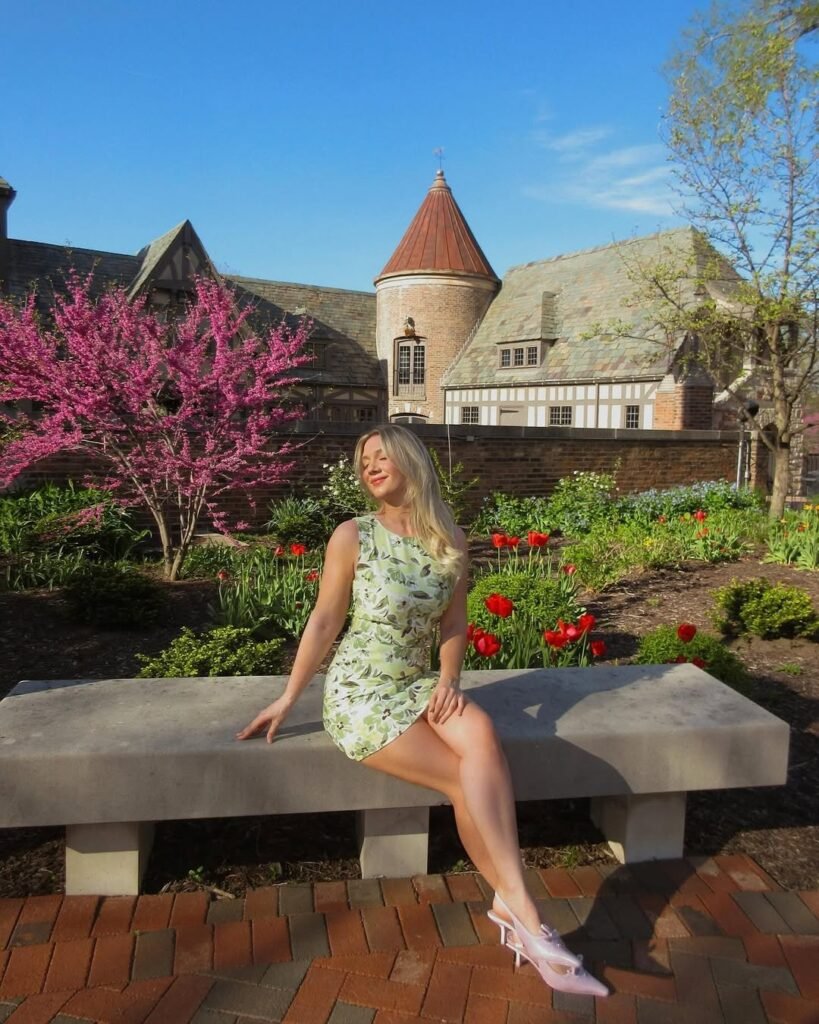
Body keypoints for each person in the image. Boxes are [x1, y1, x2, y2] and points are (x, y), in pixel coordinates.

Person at [237, 424, 607, 998]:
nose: (371, 466)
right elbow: (325, 621)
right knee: (465, 780)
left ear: (413, 461)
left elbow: (454, 623)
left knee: (480, 732)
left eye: (382, 455)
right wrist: (289, 696)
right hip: (362, 692)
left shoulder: (450, 539)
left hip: (419, 684)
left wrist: (451, 679)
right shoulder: (353, 535)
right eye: (364, 460)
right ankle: (526, 915)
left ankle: (514, 908)